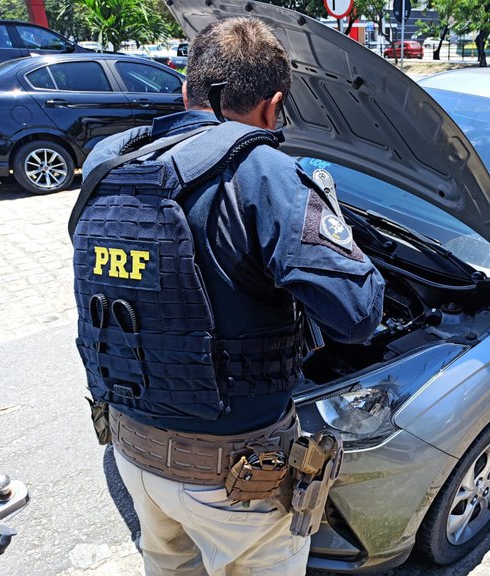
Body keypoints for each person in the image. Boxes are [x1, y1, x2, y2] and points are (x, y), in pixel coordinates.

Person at [73, 16, 384, 576]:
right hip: (233, 481)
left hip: (132, 450)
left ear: (186, 86)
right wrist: (330, 216)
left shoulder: (108, 163)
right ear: (273, 106)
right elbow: (359, 317)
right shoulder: (266, 175)